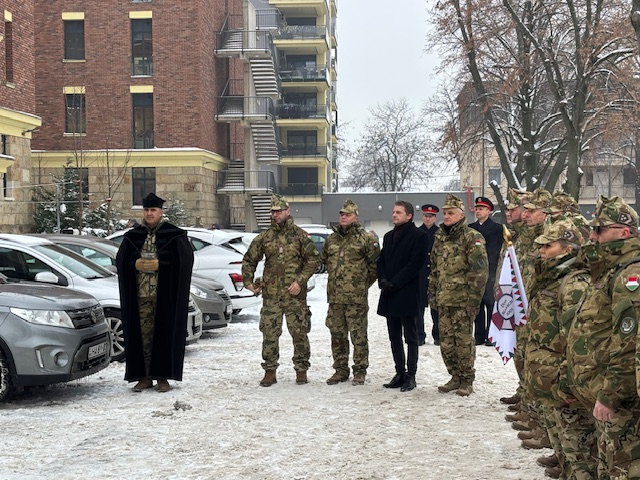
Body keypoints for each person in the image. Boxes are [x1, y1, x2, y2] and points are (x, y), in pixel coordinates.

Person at [566, 195, 640, 478]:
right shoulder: (610, 269)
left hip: (622, 400)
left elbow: (629, 343)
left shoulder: (630, 274)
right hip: (603, 390)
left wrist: (611, 395)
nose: (592, 236)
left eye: (599, 229)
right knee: (608, 466)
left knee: (621, 469)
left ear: (624, 232)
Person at [525, 218, 595, 478]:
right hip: (549, 378)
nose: (542, 251)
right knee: (563, 446)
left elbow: (579, 339)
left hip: (564, 381)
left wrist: (568, 381)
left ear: (567, 249)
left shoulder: (574, 284)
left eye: (548, 246)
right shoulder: (550, 278)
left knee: (580, 454)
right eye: (541, 246)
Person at [116, 192, 194, 393]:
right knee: (141, 337)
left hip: (164, 296)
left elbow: (185, 262)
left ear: (160, 212)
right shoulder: (133, 236)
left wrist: (162, 264)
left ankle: (162, 377)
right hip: (140, 296)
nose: (149, 213)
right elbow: (121, 261)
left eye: (153, 210)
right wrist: (134, 264)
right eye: (146, 210)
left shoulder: (174, 235)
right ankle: (143, 376)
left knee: (164, 335)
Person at [242, 194, 319, 387]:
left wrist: (300, 281)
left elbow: (313, 260)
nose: (275, 215)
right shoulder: (265, 237)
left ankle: (301, 370)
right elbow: (250, 259)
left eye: (278, 211)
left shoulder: (300, 236)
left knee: (299, 333)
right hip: (272, 295)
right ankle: (270, 371)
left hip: (295, 295)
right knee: (269, 333)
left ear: (287, 211)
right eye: (273, 212)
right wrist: (248, 281)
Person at [429, 193, 488, 396]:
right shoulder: (440, 237)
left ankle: (467, 380)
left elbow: (479, 272)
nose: (446, 216)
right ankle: (454, 376)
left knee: (463, 343)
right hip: (444, 299)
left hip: (463, 301)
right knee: (446, 343)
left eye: (451, 213)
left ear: (461, 215)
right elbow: (434, 269)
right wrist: (432, 294)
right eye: (445, 213)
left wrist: (473, 300)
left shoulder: (472, 237)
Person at [322, 199, 380, 386]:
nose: (343, 217)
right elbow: (325, 261)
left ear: (356, 216)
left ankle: (360, 370)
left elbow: (374, 266)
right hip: (335, 297)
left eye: (348, 214)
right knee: (337, 335)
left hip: (356, 298)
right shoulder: (331, 239)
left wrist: (361, 285)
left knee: (358, 336)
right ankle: (340, 370)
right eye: (342, 214)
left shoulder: (365, 239)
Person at [377, 200, 428, 392]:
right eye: (393, 212)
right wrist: (383, 281)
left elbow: (415, 264)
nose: (394, 215)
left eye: (399, 212)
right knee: (394, 336)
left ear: (409, 216)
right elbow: (381, 261)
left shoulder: (419, 236)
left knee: (411, 336)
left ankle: (411, 375)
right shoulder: (389, 236)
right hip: (389, 292)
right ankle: (399, 372)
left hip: (407, 292)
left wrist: (395, 283)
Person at [468, 196, 503, 346]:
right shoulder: (470, 228)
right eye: (476, 209)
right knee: (477, 304)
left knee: (490, 303)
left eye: (481, 209)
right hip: (475, 272)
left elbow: (499, 250)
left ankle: (490, 335)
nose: (478, 211)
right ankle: (479, 335)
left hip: (491, 270)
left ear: (489, 211)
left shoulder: (498, 229)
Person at [418, 204, 440, 346]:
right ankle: (419, 335)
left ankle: (438, 335)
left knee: (436, 307)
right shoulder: (417, 233)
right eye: (426, 216)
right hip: (420, 274)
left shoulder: (440, 233)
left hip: (435, 273)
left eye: (431, 216)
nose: (428, 219)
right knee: (419, 307)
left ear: (435, 218)